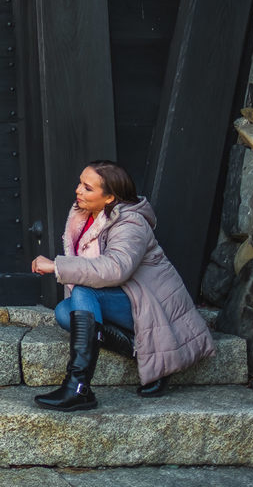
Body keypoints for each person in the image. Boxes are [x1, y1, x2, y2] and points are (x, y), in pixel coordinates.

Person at [29, 160, 214, 412]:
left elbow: (116, 268)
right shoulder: (86, 215)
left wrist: (56, 266)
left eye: (87, 187)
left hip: (152, 305)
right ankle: (146, 352)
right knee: (65, 312)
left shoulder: (131, 223)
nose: (78, 191)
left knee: (83, 293)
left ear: (109, 198)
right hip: (129, 298)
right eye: (80, 183)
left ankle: (78, 388)